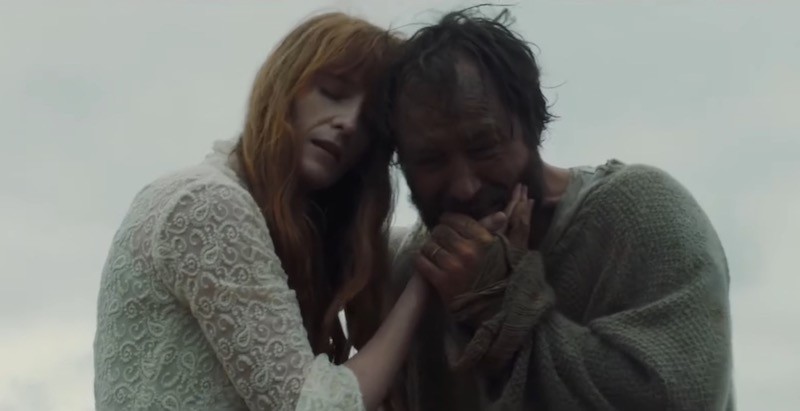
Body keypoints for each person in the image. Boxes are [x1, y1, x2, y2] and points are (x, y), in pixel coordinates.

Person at [370, 8, 735, 411]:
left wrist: (501, 305)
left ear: (534, 125)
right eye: (431, 161)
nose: (465, 187)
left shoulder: (641, 215)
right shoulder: (409, 275)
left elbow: (684, 398)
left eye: (484, 147)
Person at [93, 13, 431, 411]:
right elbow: (313, 406)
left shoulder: (284, 227)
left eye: (370, 121)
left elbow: (403, 247)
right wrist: (420, 290)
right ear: (284, 86)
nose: (350, 123)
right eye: (333, 92)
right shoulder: (206, 204)